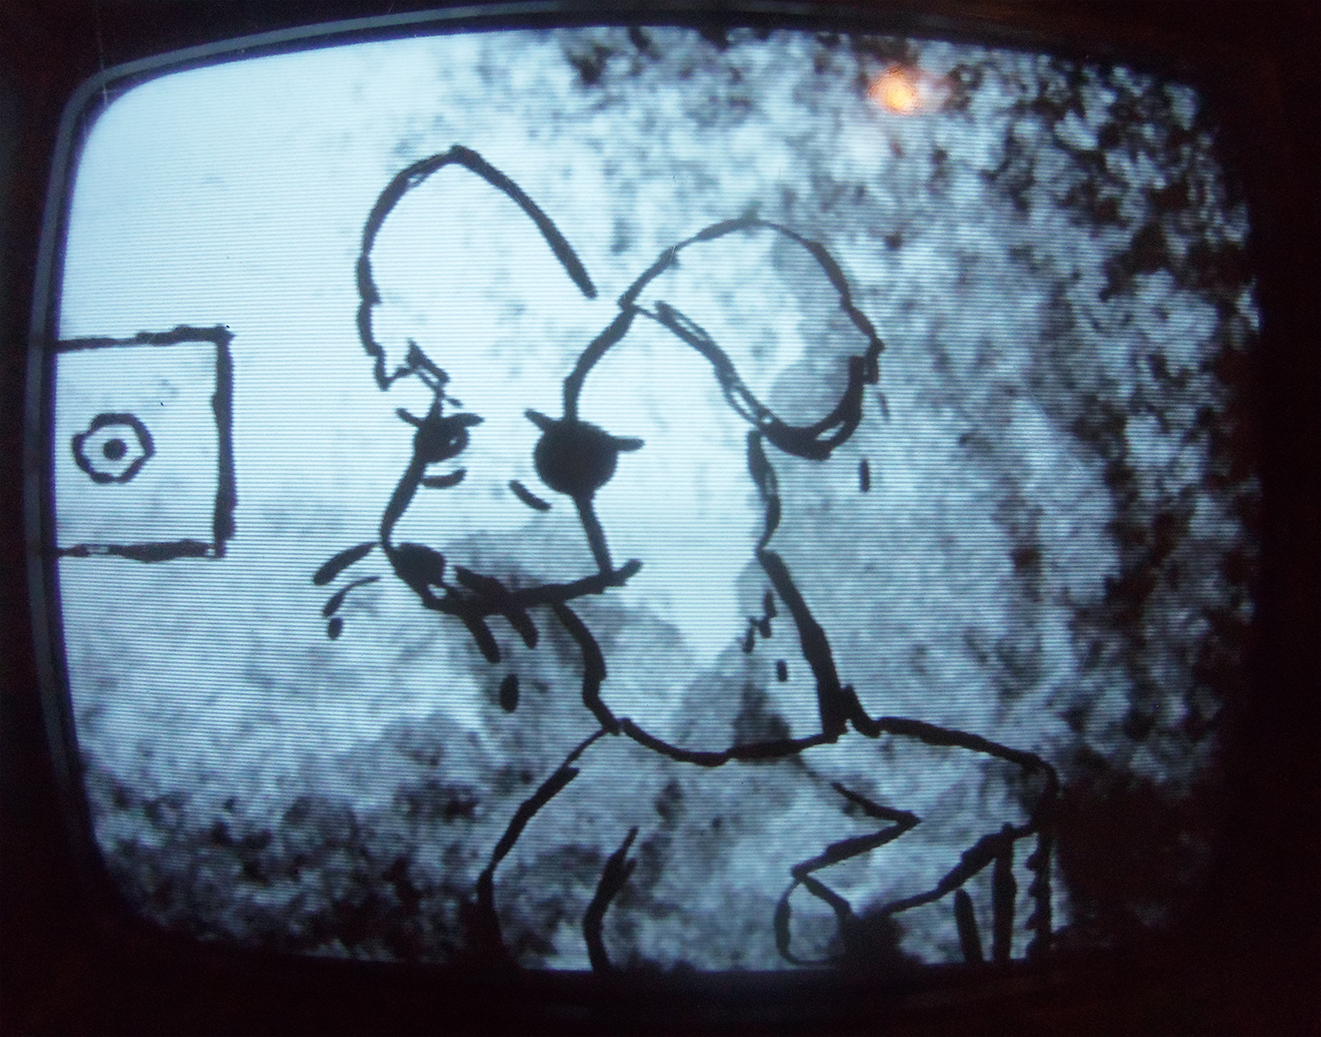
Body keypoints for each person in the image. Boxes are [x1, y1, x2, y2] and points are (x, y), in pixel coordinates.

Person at [317, 145, 1057, 970]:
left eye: (568, 452)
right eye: (441, 435)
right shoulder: (558, 840)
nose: (451, 509)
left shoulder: (950, 819)